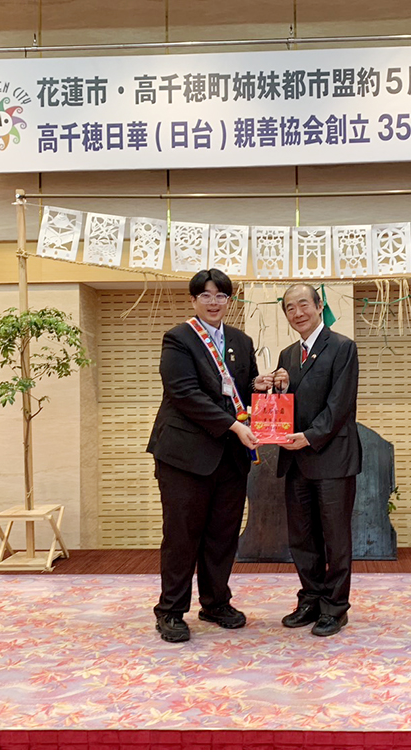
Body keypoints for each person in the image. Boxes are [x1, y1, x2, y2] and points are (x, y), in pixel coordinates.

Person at [147, 268, 273, 643]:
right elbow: (184, 393)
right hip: (184, 456)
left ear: (229, 301)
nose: (213, 302)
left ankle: (216, 602)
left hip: (230, 457)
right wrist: (233, 426)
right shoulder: (179, 338)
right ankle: (170, 611)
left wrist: (258, 386)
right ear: (194, 300)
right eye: (205, 295)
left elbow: (242, 391)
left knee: (222, 534)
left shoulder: (241, 340)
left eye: (221, 296)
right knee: (182, 535)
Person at [271, 284, 361, 637]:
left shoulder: (342, 347)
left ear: (319, 305)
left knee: (335, 538)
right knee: (302, 537)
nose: (297, 313)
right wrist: (274, 389)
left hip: (332, 457)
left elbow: (340, 404)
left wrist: (309, 436)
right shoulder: (287, 355)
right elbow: (282, 407)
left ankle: (335, 607)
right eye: (290, 308)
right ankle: (309, 599)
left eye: (303, 304)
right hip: (295, 459)